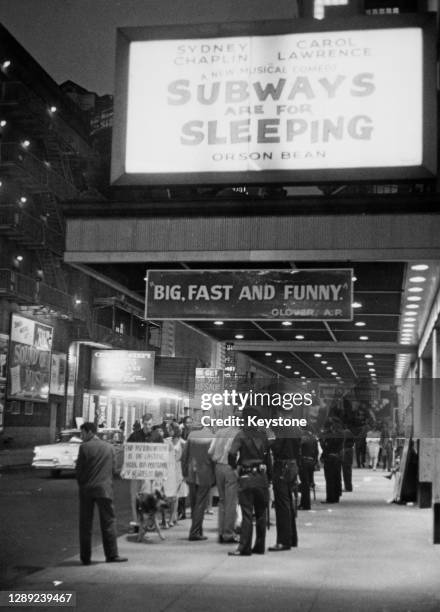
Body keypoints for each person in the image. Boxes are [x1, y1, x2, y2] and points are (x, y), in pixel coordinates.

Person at [76, 422, 127, 565]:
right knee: (108, 521)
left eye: (82, 433)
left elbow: (79, 471)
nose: (82, 437)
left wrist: (82, 483)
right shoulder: (109, 447)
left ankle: (85, 558)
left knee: (85, 524)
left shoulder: (84, 448)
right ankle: (111, 555)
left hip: (87, 490)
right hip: (105, 489)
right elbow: (114, 469)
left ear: (89, 432)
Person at [227, 408, 271, 556]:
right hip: (261, 478)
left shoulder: (240, 435)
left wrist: (234, 469)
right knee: (261, 513)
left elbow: (232, 454)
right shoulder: (263, 435)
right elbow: (268, 457)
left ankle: (244, 548)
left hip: (246, 478)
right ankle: (259, 546)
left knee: (247, 514)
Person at [269, 415, 301, 551]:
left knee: (282, 504)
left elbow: (276, 448)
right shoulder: (296, 428)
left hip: (282, 467)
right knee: (289, 501)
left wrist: (269, 441)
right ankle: (292, 538)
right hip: (293, 465)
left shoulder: (282, 430)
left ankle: (283, 541)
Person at [181, 423, 215, 541]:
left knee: (195, 504)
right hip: (205, 474)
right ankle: (195, 532)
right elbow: (213, 458)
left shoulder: (191, 436)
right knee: (200, 505)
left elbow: (184, 456)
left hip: (191, 473)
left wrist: (184, 472)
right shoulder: (211, 436)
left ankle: (197, 530)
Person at [208, 422, 240, 543]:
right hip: (230, 468)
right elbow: (234, 454)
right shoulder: (238, 434)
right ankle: (229, 534)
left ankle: (221, 532)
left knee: (222, 501)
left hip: (218, 468)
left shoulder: (219, 432)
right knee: (231, 503)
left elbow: (210, 451)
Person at [126, 413, 155, 525]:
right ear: (143, 423)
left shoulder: (156, 436)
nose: (148, 426)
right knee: (134, 496)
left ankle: (147, 520)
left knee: (148, 496)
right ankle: (135, 520)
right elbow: (128, 450)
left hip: (149, 472)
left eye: (150, 424)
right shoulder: (134, 436)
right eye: (146, 424)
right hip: (136, 472)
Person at [319, 417, 343, 504]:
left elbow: (326, 447)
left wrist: (323, 455)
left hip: (329, 458)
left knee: (330, 479)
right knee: (337, 477)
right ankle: (336, 496)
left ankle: (330, 498)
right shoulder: (341, 434)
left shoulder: (328, 435)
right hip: (337, 457)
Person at [299, 427, 319, 511]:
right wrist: (314, 461)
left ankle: (305, 504)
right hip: (311, 461)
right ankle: (305, 503)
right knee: (308, 483)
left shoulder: (302, 438)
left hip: (304, 461)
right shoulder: (313, 438)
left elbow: (298, 451)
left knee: (305, 484)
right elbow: (316, 452)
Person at [341, 425, 355, 492]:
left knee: (346, 471)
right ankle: (348, 486)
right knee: (347, 471)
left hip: (346, 452)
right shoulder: (348, 432)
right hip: (349, 452)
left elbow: (343, 442)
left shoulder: (345, 432)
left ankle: (348, 487)